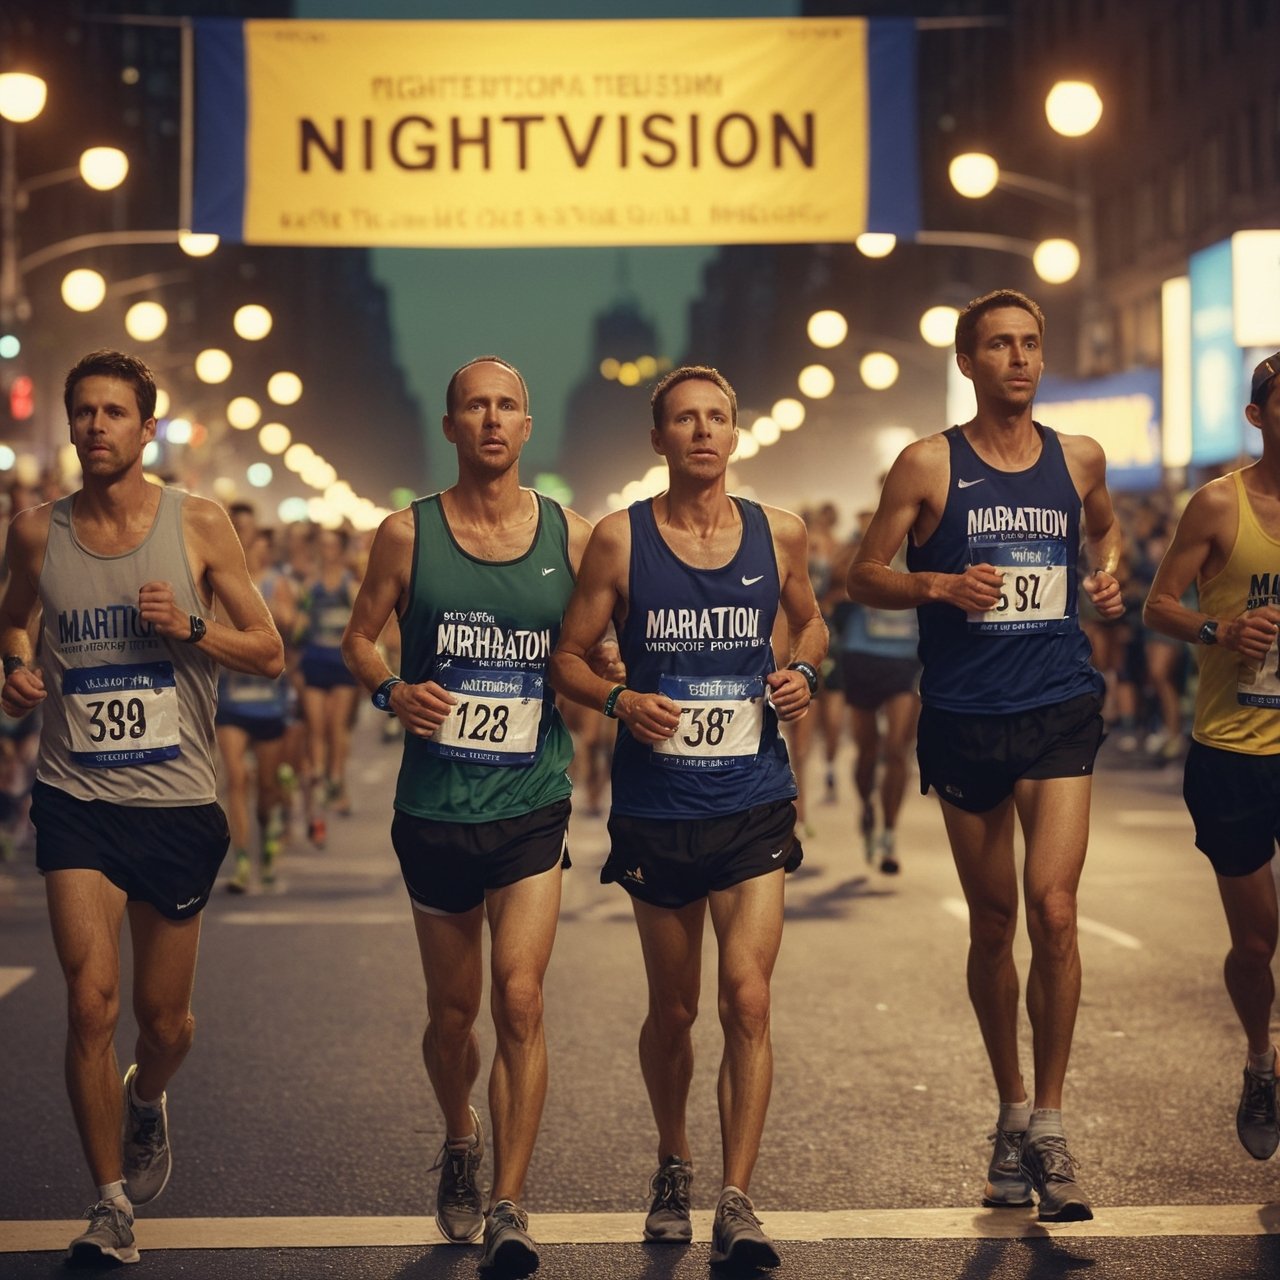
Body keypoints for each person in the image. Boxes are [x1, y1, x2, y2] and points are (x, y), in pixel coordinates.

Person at [0, 349, 284, 1263]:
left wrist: (192, 626)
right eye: (83, 412)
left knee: (162, 1026)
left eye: (113, 412)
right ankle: (110, 1205)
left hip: (177, 801)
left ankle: (148, 1097)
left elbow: (268, 651)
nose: (94, 427)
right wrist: (14, 666)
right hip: (77, 794)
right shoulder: (36, 532)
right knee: (90, 1002)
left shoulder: (197, 525)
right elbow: (13, 615)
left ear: (145, 426)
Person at [846, 290, 1123, 1222]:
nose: (1018, 359)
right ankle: (1009, 1105)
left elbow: (1106, 528)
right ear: (967, 362)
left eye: (1030, 344)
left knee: (1054, 908)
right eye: (999, 345)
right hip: (964, 715)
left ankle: (1049, 1123)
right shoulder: (929, 463)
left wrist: (1113, 573)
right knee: (995, 922)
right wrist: (937, 583)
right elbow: (863, 574)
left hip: (1058, 706)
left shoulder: (1078, 458)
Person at [550, 364, 827, 1270]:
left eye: (717, 417)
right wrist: (620, 700)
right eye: (684, 420)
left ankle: (738, 1198)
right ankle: (675, 1159)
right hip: (657, 806)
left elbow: (812, 626)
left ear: (735, 433)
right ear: (658, 438)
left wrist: (804, 675)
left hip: (752, 798)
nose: (703, 432)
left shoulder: (779, 534)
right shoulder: (622, 544)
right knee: (673, 1010)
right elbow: (569, 660)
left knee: (747, 998)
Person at [341, 356, 594, 1278]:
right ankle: (459, 1135)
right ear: (451, 427)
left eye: (507, 406)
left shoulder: (574, 537)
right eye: (474, 407)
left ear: (529, 427)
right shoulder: (406, 535)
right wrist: (391, 690)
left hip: (532, 800)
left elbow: (602, 643)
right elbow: (358, 636)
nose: (491, 420)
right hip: (435, 806)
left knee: (520, 997)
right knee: (454, 1015)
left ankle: (511, 1204)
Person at [1143, 351, 1280, 1162]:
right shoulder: (1218, 506)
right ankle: (1259, 1059)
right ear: (1258, 415)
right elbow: (1158, 604)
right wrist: (1219, 630)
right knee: (1257, 942)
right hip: (1233, 749)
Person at [216, 503, 297, 893]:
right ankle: (242, 861)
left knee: (265, 788)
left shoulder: (273, 582)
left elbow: (291, 628)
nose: (240, 534)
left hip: (268, 702)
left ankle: (268, 835)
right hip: (231, 701)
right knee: (235, 778)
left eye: (244, 528)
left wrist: (280, 615)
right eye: (233, 527)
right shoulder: (215, 580)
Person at [835, 536, 920, 874]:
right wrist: (858, 549)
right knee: (867, 752)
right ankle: (867, 805)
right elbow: (835, 583)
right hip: (862, 656)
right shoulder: (865, 542)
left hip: (906, 659)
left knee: (899, 748)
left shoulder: (927, 543)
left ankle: (889, 832)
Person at [297, 525, 361, 846]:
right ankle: (321, 775)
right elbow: (298, 622)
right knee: (316, 725)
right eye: (322, 545)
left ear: (341, 549)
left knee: (337, 724)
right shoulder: (310, 584)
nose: (327, 551)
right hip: (314, 661)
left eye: (332, 545)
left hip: (341, 664)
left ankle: (336, 777)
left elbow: (364, 620)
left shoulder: (349, 585)